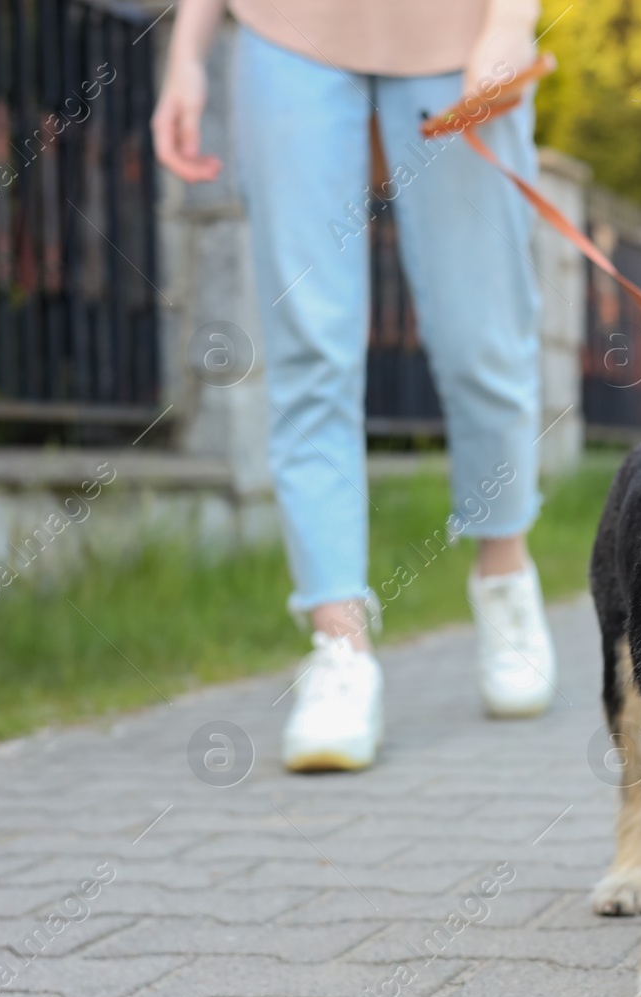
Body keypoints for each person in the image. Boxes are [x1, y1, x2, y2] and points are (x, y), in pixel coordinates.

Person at [153, 0, 557, 772]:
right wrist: (187, 53)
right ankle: (338, 646)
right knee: (309, 348)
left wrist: (510, 22)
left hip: (457, 34)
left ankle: (504, 574)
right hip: (286, 36)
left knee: (485, 342)